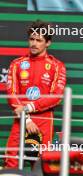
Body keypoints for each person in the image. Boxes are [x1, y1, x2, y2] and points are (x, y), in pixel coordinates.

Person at [4, 20, 66, 168]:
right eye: (32, 39)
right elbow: (11, 93)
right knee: (11, 161)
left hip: (44, 121)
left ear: (48, 43)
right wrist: (26, 119)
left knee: (42, 164)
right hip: (21, 120)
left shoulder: (57, 66)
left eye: (39, 40)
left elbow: (56, 97)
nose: (34, 43)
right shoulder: (17, 64)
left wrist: (29, 108)